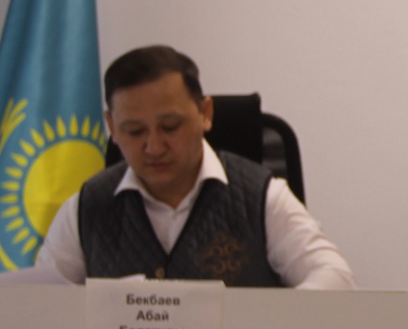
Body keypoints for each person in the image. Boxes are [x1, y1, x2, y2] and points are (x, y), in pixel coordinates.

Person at [37, 45, 356, 289]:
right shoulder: (86, 207)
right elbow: (40, 304)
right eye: (134, 131)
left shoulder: (261, 197)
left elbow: (336, 277)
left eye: (170, 127)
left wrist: (270, 324)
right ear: (112, 127)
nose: (154, 147)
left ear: (205, 113)